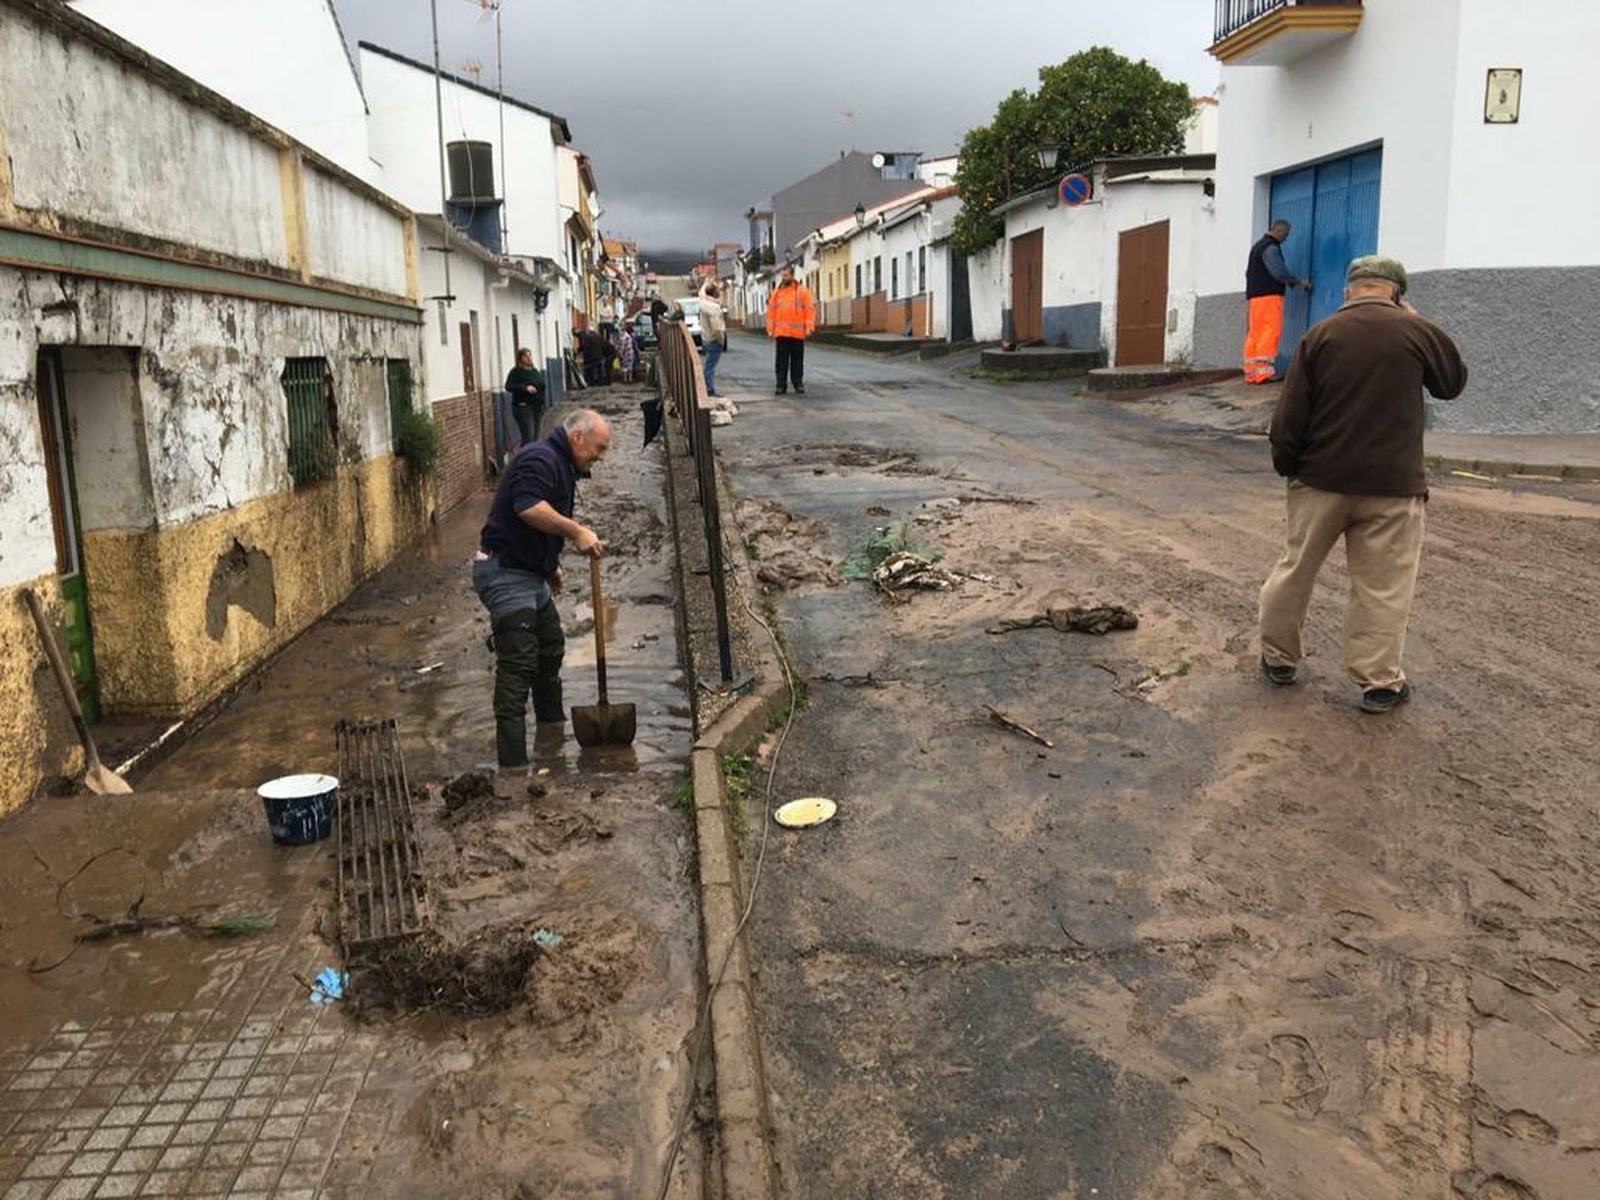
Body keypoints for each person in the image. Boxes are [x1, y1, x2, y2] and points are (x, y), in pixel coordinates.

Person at [1258, 256, 1467, 714]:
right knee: (1383, 586)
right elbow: (1452, 383)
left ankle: (1278, 659)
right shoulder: (1416, 333)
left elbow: (1289, 416)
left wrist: (1289, 467)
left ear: (1349, 291)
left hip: (1320, 480)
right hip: (1392, 486)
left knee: (1295, 568)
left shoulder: (1321, 335)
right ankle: (1379, 684)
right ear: (1397, 293)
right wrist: (1419, 322)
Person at [473, 409, 611, 767]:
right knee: (518, 665)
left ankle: (551, 740)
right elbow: (529, 507)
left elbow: (538, 527)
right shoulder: (539, 458)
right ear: (576, 437)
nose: (600, 455)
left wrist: (550, 568)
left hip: (530, 575)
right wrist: (578, 531)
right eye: (598, 447)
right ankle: (515, 768)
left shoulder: (561, 465)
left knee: (549, 649)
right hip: (504, 572)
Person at [1242, 219, 1312, 384]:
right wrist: (1297, 282)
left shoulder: (1257, 247)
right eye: (1286, 235)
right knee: (1269, 331)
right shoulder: (1270, 248)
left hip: (1255, 297)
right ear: (1279, 231)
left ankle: (1251, 373)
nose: (1286, 238)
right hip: (1269, 296)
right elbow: (1278, 271)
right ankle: (1264, 373)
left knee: (1255, 333)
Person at [765, 264, 816, 395]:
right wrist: (770, 329)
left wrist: (809, 327)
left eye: (786, 275)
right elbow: (771, 312)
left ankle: (798, 383)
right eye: (782, 275)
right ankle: (780, 385)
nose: (783, 278)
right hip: (781, 333)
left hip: (797, 334)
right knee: (781, 361)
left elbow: (809, 310)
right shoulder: (776, 294)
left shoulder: (802, 292)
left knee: (797, 361)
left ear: (792, 275)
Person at [504, 347, 545, 445]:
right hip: (523, 407)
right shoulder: (516, 372)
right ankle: (525, 458)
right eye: (526, 356)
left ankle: (532, 457)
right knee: (528, 436)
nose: (529, 358)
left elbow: (541, 385)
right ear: (520, 359)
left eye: (530, 355)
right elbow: (508, 386)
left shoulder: (534, 370)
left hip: (536, 407)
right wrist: (525, 387)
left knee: (536, 436)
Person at [699, 281, 728, 396]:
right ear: (714, 293)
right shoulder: (714, 308)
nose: (719, 292)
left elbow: (701, 292)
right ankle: (709, 389)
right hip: (713, 340)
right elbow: (717, 327)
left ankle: (708, 387)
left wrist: (707, 281)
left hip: (705, 338)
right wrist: (721, 340)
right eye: (718, 290)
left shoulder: (703, 303)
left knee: (708, 364)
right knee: (710, 366)